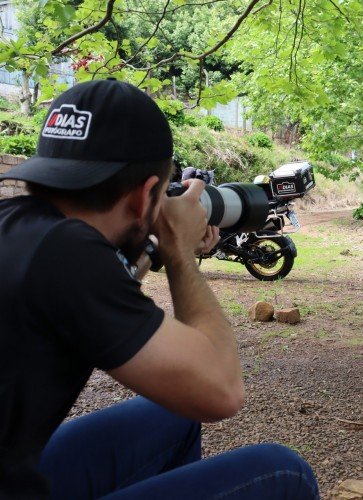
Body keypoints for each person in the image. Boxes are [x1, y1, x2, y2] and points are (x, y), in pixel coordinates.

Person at [0, 79, 318, 499]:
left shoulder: (21, 225)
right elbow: (219, 390)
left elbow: (99, 292)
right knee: (283, 473)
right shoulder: (69, 257)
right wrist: (183, 256)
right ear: (147, 193)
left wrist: (159, 245)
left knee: (172, 416)